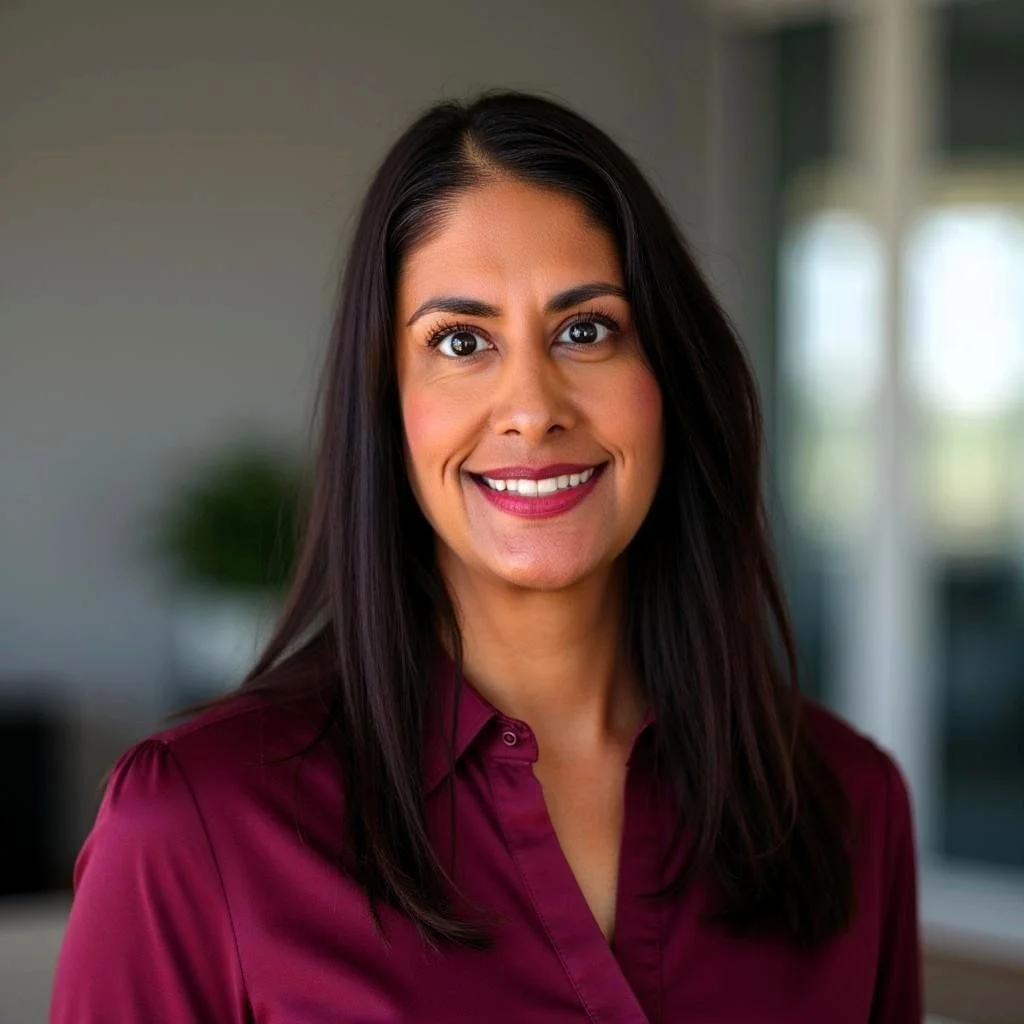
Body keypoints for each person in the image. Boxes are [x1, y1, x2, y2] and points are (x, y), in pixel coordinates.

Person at [51, 91, 922, 1023]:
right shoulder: (192, 825)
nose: (531, 406)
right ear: (388, 408)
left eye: (586, 329)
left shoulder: (848, 804)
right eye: (460, 342)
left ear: (669, 378)